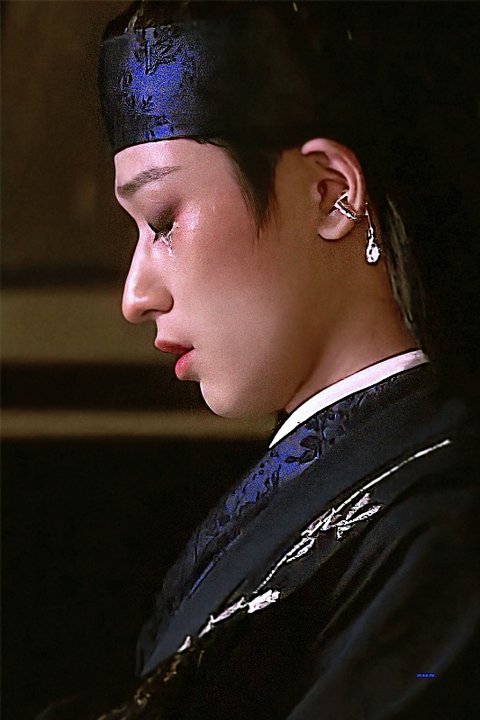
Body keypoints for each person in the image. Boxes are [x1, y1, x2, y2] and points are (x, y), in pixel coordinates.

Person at [93, 2, 480, 718]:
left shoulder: (443, 530)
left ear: (330, 194)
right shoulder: (347, 486)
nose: (135, 296)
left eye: (163, 221)